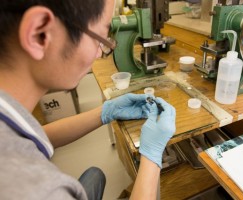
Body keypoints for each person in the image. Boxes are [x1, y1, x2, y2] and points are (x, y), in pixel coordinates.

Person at [0, 1, 176, 200]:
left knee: (94, 175)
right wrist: (152, 157)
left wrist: (105, 112)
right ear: (39, 34)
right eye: (99, 37)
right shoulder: (43, 191)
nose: (100, 52)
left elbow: (34, 138)